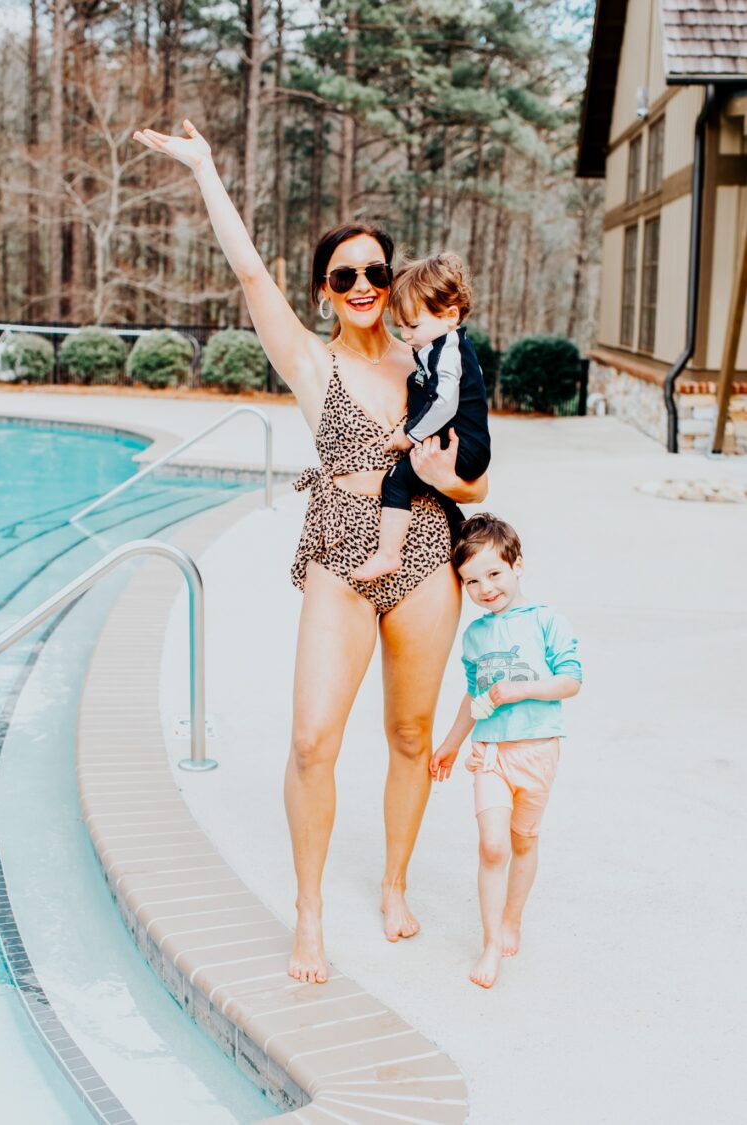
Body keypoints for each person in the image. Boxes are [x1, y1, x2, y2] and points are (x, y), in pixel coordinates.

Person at [134, 120, 488, 984]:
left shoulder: (430, 364)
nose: (362, 285)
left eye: (375, 271)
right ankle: (309, 910)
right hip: (340, 549)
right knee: (310, 739)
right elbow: (250, 272)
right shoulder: (308, 359)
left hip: (425, 548)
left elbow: (477, 481)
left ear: (393, 282)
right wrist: (205, 168)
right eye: (344, 275)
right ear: (325, 291)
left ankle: (395, 884)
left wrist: (446, 476)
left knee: (410, 732)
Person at [429, 514, 582, 988]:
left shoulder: (546, 621)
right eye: (472, 581)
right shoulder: (475, 636)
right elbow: (473, 697)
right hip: (490, 753)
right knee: (493, 846)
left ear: (517, 566)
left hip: (537, 751)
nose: (485, 588)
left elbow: (571, 681)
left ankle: (513, 917)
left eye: (494, 573)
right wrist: (451, 744)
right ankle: (491, 942)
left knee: (523, 841)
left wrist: (522, 689)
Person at [351, 253, 491, 581]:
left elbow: (444, 404)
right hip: (466, 443)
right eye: (400, 326)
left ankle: (388, 554)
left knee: (397, 480)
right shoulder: (446, 346)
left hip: (463, 447)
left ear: (450, 315)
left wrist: (409, 435)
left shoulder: (447, 352)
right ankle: (470, 545)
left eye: (413, 326)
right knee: (436, 495)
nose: (406, 335)